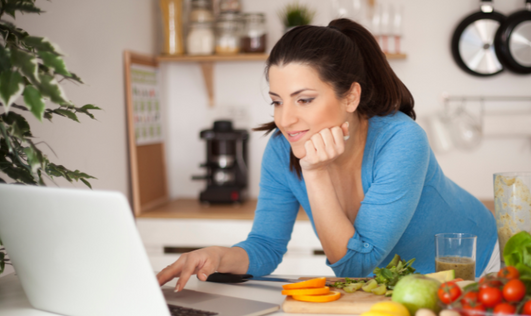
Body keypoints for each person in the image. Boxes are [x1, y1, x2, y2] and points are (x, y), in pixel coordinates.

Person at [157, 18, 499, 292]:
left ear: (350, 98)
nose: (285, 119)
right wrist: (216, 256)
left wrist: (315, 173)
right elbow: (265, 245)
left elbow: (355, 265)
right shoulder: (281, 151)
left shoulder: (401, 141)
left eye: (304, 99)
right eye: (277, 101)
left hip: (474, 269)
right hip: (399, 285)